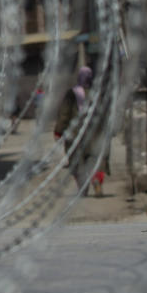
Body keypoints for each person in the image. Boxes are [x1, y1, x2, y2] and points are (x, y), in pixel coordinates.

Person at [54, 66, 107, 196]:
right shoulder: (97, 93)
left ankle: (82, 186)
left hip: (75, 134)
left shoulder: (72, 94)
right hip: (94, 133)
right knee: (95, 159)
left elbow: (64, 114)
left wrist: (58, 131)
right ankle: (96, 181)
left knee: (76, 161)